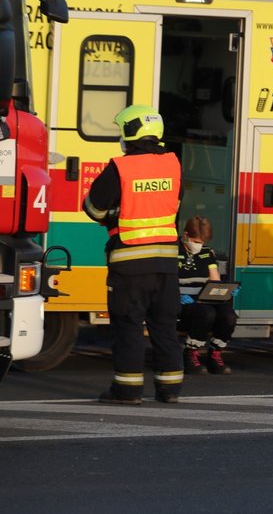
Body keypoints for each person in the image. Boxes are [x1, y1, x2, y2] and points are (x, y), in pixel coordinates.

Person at [83, 104, 184, 405]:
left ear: (131, 132)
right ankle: (170, 389)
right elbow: (173, 207)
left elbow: (93, 208)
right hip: (166, 263)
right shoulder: (173, 164)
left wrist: (115, 213)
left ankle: (127, 390)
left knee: (128, 326)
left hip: (129, 262)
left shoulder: (121, 166)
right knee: (164, 326)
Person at [178, 215, 238, 375]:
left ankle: (215, 353)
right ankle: (190, 353)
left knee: (229, 316)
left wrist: (225, 291)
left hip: (203, 299)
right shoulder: (174, 251)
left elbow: (214, 279)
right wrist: (177, 295)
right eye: (196, 241)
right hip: (182, 302)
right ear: (186, 235)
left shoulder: (207, 253)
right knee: (206, 314)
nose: (199, 245)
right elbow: (166, 279)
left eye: (202, 242)